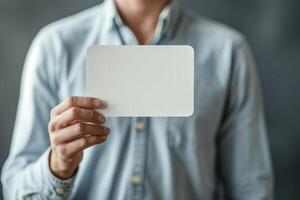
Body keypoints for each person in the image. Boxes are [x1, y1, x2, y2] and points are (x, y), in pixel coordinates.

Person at [1, 0, 274, 199]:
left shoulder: (228, 52)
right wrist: (57, 165)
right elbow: (14, 190)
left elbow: (251, 189)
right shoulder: (55, 47)